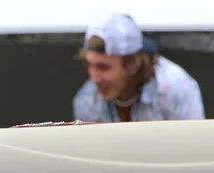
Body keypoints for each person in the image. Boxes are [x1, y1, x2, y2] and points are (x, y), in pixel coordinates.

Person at [73, 14, 204, 124]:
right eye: (90, 65)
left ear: (132, 64)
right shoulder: (87, 100)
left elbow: (194, 148)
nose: (95, 78)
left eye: (103, 67)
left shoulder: (176, 89)